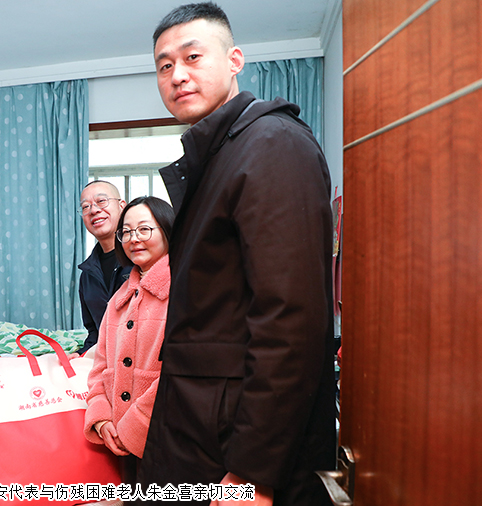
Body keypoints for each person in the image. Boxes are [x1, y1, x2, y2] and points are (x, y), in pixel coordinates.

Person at [137, 3, 336, 506]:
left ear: (234, 60)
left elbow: (290, 319)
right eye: (164, 65)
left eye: (193, 57)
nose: (177, 75)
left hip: (237, 447)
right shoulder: (219, 154)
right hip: (202, 425)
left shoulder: (271, 144)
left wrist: (253, 471)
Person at [83, 196, 174, 483]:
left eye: (145, 229)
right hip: (121, 444)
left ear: (168, 231)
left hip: (169, 440)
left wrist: (133, 427)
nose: (134, 239)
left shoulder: (186, 291)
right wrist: (101, 420)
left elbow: (179, 373)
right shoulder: (119, 300)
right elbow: (99, 369)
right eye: (127, 232)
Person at [76, 180, 134, 354]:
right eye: (85, 207)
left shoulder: (140, 258)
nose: (93, 210)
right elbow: (94, 333)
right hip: (105, 360)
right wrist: (81, 355)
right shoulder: (87, 275)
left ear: (122, 206)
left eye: (101, 201)